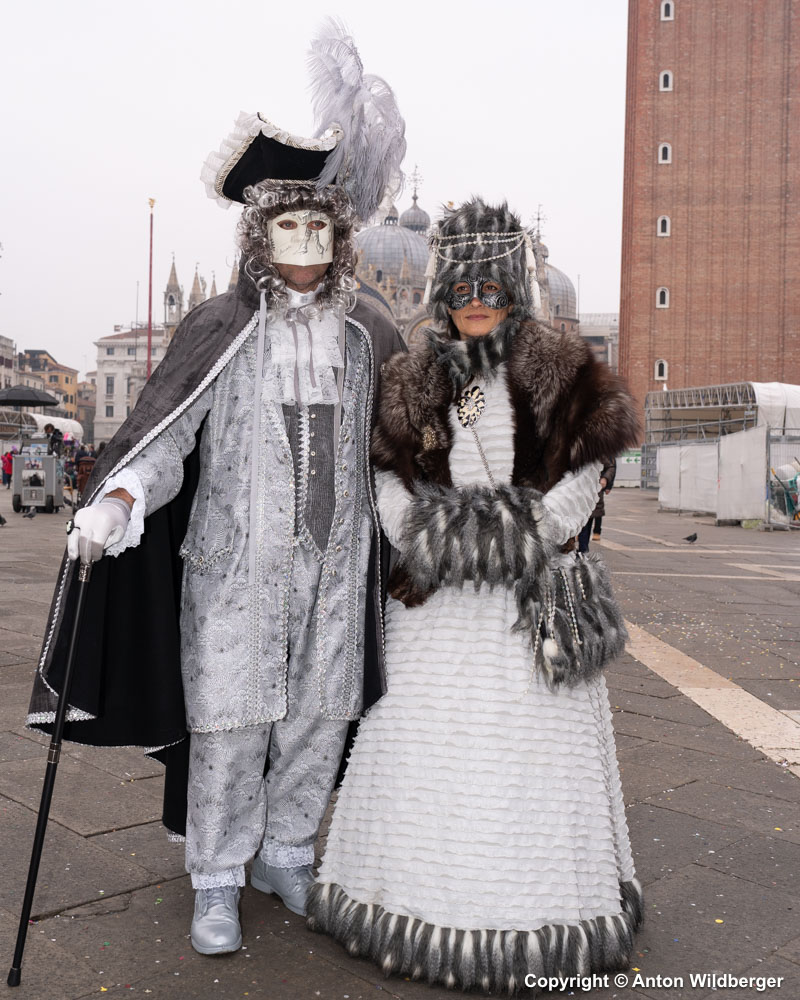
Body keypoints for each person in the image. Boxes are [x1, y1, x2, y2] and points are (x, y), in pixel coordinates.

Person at [27, 20, 406, 958]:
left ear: (341, 232)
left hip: (338, 562)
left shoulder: (369, 332)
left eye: (319, 224)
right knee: (233, 725)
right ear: (259, 234)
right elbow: (169, 433)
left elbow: (402, 445)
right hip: (235, 565)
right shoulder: (222, 324)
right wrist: (119, 501)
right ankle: (217, 875)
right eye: (287, 225)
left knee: (320, 718)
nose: (305, 241)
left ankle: (287, 851)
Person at [308, 200, 643, 993]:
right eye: (463, 289)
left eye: (492, 287)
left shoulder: (567, 372)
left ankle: (541, 918)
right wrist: (428, 540)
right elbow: (387, 484)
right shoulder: (409, 381)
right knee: (427, 757)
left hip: (529, 604)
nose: (477, 302)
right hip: (434, 608)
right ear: (443, 293)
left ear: (516, 287)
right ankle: (410, 903)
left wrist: (524, 535)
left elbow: (586, 477)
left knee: (533, 766)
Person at [578, 457, 617, 552]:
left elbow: (611, 466)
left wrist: (605, 479)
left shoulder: (596, 451)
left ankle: (583, 551)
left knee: (587, 522)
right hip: (574, 491)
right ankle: (582, 550)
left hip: (592, 491)